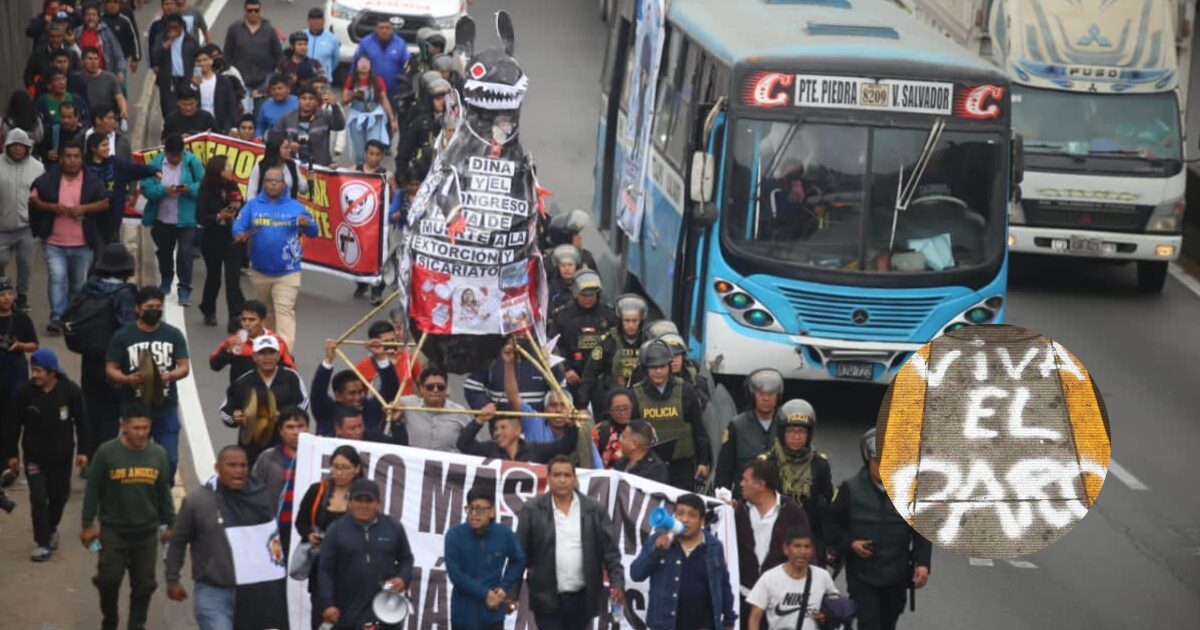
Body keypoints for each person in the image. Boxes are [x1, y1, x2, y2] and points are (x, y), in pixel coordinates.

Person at [166, 445, 286, 630]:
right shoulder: (197, 501)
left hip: (254, 592)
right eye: (231, 465)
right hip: (214, 591)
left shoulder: (261, 498)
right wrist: (172, 579)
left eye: (243, 465)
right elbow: (178, 541)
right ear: (217, 468)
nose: (239, 471)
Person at [81, 402, 175, 630]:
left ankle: (136, 624)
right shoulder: (106, 453)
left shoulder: (158, 454)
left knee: (145, 585)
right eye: (136, 428)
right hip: (114, 530)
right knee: (108, 580)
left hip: (146, 533)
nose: (141, 433)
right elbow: (93, 489)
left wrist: (170, 523)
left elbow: (163, 492)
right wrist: (87, 525)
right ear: (123, 426)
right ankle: (110, 620)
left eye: (145, 428)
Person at [827, 429, 932, 630]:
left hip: (897, 573)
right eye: (877, 461)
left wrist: (923, 564)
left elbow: (920, 531)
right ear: (868, 460)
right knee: (868, 622)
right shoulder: (850, 489)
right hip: (862, 574)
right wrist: (851, 543)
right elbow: (831, 525)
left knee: (888, 622)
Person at [517, 456, 625, 630]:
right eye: (557, 475)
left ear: (574, 479)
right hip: (546, 598)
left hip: (582, 598)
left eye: (567, 475)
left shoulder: (594, 510)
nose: (562, 480)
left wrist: (617, 583)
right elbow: (519, 553)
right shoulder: (532, 509)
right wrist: (511, 593)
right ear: (549, 478)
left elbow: (610, 552)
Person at [3, 349, 85, 561]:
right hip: (34, 457)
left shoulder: (71, 391)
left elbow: (82, 423)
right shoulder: (24, 392)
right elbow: (13, 425)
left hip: (62, 457)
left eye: (39, 371)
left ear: (52, 372)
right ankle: (43, 543)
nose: (35, 375)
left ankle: (52, 527)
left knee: (58, 497)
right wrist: (12, 455)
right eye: (33, 370)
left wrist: (84, 451)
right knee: (38, 498)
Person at [104, 286, 190, 482]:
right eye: (149, 306)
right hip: (133, 407)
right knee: (132, 459)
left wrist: (168, 376)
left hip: (165, 406)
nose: (155, 310)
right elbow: (111, 368)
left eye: (158, 306)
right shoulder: (123, 336)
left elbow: (184, 366)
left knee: (169, 459)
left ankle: (162, 496)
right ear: (138, 308)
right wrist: (127, 379)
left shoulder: (173, 334)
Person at [233, 165, 317, 350]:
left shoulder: (296, 207)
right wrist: (239, 234)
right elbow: (238, 226)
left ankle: (286, 355)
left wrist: (307, 224)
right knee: (266, 315)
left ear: (283, 184)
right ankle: (267, 352)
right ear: (263, 184)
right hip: (260, 271)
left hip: (287, 273)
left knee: (284, 313)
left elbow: (313, 230)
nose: (272, 184)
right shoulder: (253, 205)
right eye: (268, 181)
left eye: (276, 181)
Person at [30, 141, 108, 332]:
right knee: (57, 277)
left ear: (82, 159)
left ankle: (72, 317)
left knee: (78, 284)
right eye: (68, 156)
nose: (72, 161)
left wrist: (84, 209)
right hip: (54, 242)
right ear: (61, 158)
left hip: (82, 244)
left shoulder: (92, 181)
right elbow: (33, 199)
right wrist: (52, 208)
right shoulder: (48, 180)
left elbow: (105, 203)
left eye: (76, 157)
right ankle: (57, 317)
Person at [630, 493, 737, 630]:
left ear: (702, 520)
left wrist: (729, 621)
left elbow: (723, 586)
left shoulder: (714, 546)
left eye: (692, 515)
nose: (685, 520)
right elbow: (636, 574)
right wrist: (656, 550)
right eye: (680, 514)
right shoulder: (658, 540)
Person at [318, 478, 414, 630]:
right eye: (358, 500)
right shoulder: (336, 530)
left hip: (386, 611)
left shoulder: (394, 527)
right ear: (349, 503)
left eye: (369, 501)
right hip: (346, 611)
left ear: (378, 504)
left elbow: (406, 558)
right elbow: (325, 570)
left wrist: (402, 578)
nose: (363, 505)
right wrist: (328, 603)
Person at [76, 243, 137, 461]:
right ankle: (104, 459)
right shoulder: (125, 293)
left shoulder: (88, 288)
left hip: (89, 357)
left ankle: (88, 456)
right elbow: (127, 328)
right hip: (113, 361)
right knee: (111, 411)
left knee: (90, 408)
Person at [734, 458, 811, 627]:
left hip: (781, 601)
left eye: (745, 480)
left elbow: (806, 554)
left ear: (761, 485)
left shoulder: (793, 513)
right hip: (745, 597)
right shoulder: (738, 512)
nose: (741, 484)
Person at [296, 444, 361, 629]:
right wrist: (309, 535)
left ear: (356, 469)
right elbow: (301, 522)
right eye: (335, 467)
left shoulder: (362, 495)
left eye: (345, 468)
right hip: (320, 568)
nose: (339, 473)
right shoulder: (317, 491)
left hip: (351, 570)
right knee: (321, 619)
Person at [630, 340, 710, 491]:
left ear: (669, 367)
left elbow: (698, 428)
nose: (658, 371)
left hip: (681, 466)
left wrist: (703, 462)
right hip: (648, 467)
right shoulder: (635, 394)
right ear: (645, 369)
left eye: (662, 366)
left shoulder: (685, 391)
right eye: (653, 367)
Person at [219, 334, 309, 465]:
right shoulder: (243, 382)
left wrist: (285, 417)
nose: (267, 357)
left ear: (278, 356)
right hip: (252, 448)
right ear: (254, 357)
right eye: (262, 353)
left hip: (284, 444)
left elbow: (303, 403)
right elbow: (224, 411)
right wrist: (234, 416)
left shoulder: (291, 377)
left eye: (271, 353)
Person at [762, 399, 832, 566]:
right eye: (791, 431)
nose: (796, 437)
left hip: (808, 540)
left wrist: (828, 546)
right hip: (774, 537)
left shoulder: (820, 465)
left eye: (801, 431)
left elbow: (827, 506)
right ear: (781, 433)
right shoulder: (768, 464)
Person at [446, 486, 526, 630]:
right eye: (470, 508)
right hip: (463, 614)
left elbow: (519, 560)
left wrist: (503, 587)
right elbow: (455, 575)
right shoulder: (454, 535)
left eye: (480, 509)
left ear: (492, 511)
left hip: (492, 614)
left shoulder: (504, 533)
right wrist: (485, 594)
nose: (474, 514)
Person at [140, 132, 203, 304]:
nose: (175, 159)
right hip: (162, 218)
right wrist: (164, 190)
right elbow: (146, 188)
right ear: (165, 152)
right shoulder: (156, 164)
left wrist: (188, 189)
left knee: (185, 253)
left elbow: (203, 186)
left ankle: (184, 287)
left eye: (178, 155)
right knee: (164, 252)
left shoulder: (192, 163)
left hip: (187, 219)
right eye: (172, 155)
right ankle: (166, 277)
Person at [745, 527, 839, 630]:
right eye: (797, 546)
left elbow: (836, 609)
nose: (802, 551)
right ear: (786, 548)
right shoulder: (769, 578)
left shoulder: (822, 576)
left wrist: (825, 616)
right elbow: (754, 617)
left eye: (807, 546)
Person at [310, 336, 398, 437]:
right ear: (338, 396)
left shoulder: (369, 409)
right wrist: (328, 360)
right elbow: (318, 392)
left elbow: (390, 389)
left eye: (360, 391)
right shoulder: (327, 411)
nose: (358, 397)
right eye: (352, 393)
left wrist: (381, 357)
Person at [716, 368, 785, 493]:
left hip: (777, 498)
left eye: (771, 394)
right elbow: (724, 470)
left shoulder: (786, 424)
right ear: (752, 395)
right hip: (744, 498)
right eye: (761, 394)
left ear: (778, 396)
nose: (766, 399)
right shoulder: (737, 426)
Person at [550, 269, 616, 398]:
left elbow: (616, 345)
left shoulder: (609, 315)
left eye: (592, 295)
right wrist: (566, 369)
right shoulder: (562, 315)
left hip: (602, 379)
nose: (588, 299)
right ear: (575, 293)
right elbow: (555, 346)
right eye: (584, 295)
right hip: (574, 376)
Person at [196, 154, 245, 328]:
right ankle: (208, 309)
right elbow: (201, 217)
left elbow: (242, 203)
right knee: (214, 277)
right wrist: (218, 216)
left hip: (232, 239)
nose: (231, 168)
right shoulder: (205, 189)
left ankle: (236, 316)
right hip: (212, 240)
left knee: (233, 278)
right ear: (219, 170)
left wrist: (236, 211)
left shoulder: (233, 185)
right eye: (228, 166)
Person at [85, 131, 158, 246]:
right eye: (104, 145)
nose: (108, 149)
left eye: (108, 145)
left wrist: (154, 171)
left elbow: (134, 169)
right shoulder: (84, 168)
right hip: (89, 220)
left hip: (112, 219)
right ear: (93, 148)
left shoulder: (115, 164)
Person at [250, 406, 306, 552]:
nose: (296, 432)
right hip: (275, 528)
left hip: (305, 531)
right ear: (281, 431)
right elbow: (253, 492)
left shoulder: (319, 458)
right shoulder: (267, 458)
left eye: (300, 426)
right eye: (290, 427)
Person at [0, 129, 44, 314]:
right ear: (7, 146)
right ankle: (3, 292)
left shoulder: (37, 167)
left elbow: (43, 195)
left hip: (27, 227)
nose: (18, 149)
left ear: (27, 147)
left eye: (21, 145)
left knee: (25, 263)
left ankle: (22, 296)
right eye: (14, 145)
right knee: (1, 260)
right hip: (2, 227)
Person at [579, 293, 647, 413]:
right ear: (620, 320)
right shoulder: (608, 341)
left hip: (641, 400)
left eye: (634, 321)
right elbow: (590, 373)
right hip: (610, 401)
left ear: (640, 320)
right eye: (627, 321)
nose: (631, 325)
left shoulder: (648, 341)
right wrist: (582, 405)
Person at [465, 334, 565, 412]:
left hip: (537, 426)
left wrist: (548, 414)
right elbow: (473, 385)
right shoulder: (491, 349)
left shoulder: (546, 348)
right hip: (503, 427)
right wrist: (486, 407)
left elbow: (561, 386)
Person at [393, 365, 477, 452]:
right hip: (415, 463)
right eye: (430, 387)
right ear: (421, 389)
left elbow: (472, 443)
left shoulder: (460, 412)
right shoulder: (407, 404)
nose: (435, 390)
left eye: (440, 387)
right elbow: (389, 400)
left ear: (446, 389)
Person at [208, 299, 295, 383]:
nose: (247, 324)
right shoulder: (234, 342)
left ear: (263, 321)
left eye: (252, 320)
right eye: (244, 319)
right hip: (241, 394)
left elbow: (291, 372)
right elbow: (214, 365)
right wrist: (227, 351)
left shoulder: (277, 343)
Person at [223, 0, 282, 107]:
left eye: (256, 10)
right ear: (245, 11)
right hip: (240, 81)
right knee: (243, 116)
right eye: (250, 10)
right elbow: (227, 54)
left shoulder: (270, 30)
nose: (253, 13)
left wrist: (274, 76)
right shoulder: (234, 29)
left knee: (261, 115)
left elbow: (278, 54)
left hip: (264, 81)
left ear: (260, 10)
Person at [274, 85, 344, 167]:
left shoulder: (325, 115)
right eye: (304, 98)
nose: (307, 102)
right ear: (298, 100)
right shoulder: (287, 118)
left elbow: (339, 126)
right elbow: (275, 138)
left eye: (311, 98)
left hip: (320, 165)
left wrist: (334, 106)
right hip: (293, 164)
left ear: (317, 101)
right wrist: (288, 145)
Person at [352, 19, 410, 117]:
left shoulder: (400, 44)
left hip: (392, 91)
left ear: (392, 29)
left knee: (389, 123)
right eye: (381, 28)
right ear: (376, 29)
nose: (384, 31)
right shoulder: (366, 43)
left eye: (387, 28)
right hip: (370, 90)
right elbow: (355, 64)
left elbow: (407, 66)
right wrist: (352, 85)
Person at [150, 13, 199, 118]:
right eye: (170, 27)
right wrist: (168, 43)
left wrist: (197, 75)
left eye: (175, 27)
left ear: (181, 26)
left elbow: (198, 59)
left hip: (186, 80)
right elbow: (155, 55)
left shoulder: (190, 40)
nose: (172, 30)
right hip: (169, 81)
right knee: (169, 110)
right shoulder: (161, 38)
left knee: (187, 109)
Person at [191, 46, 238, 134]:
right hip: (198, 127)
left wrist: (232, 126)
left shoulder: (223, 81)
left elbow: (231, 105)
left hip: (219, 126)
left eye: (205, 60)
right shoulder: (192, 82)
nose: (202, 63)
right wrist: (193, 86)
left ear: (211, 61)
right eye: (198, 61)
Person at [246, 132, 307, 199]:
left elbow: (303, 189)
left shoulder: (292, 166)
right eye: (285, 148)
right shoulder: (261, 167)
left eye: (289, 147)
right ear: (275, 148)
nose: (289, 150)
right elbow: (251, 193)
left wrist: (310, 181)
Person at [611, 419, 669, 484]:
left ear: (634, 444)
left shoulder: (655, 470)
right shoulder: (620, 463)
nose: (620, 440)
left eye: (623, 437)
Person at [592, 388, 639, 468]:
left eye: (626, 408)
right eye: (617, 409)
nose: (622, 412)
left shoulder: (645, 429)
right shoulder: (599, 431)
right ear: (609, 410)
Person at [79, 47, 127, 124]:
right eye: (90, 59)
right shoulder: (77, 78)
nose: (93, 62)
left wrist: (123, 110)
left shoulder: (109, 77)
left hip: (106, 121)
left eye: (96, 59)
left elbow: (119, 97)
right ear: (82, 61)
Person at [35, 99, 87, 168]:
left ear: (76, 117)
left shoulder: (84, 134)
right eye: (63, 117)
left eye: (69, 117)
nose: (66, 120)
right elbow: (39, 150)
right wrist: (47, 154)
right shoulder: (51, 131)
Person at [101, 0, 141, 85]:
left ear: (119, 4)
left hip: (121, 61)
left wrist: (135, 58)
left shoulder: (125, 20)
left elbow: (133, 38)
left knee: (120, 87)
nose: (112, 5)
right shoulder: (100, 20)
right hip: (103, 61)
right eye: (109, 2)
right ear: (104, 4)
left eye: (115, 2)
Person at [255, 74, 297, 139]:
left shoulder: (298, 102)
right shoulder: (265, 107)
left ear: (288, 89)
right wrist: (258, 137)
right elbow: (260, 127)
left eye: (280, 88)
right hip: (275, 143)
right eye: (273, 89)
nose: (276, 91)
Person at [305, 8, 339, 83]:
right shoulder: (302, 36)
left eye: (319, 20)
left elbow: (335, 59)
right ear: (308, 21)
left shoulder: (332, 39)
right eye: (313, 20)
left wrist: (327, 70)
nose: (316, 22)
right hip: (304, 80)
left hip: (324, 80)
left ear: (323, 21)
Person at [546, 244, 581, 317]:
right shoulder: (551, 288)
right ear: (558, 268)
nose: (567, 269)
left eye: (570, 265)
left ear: (576, 266)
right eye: (563, 265)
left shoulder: (582, 285)